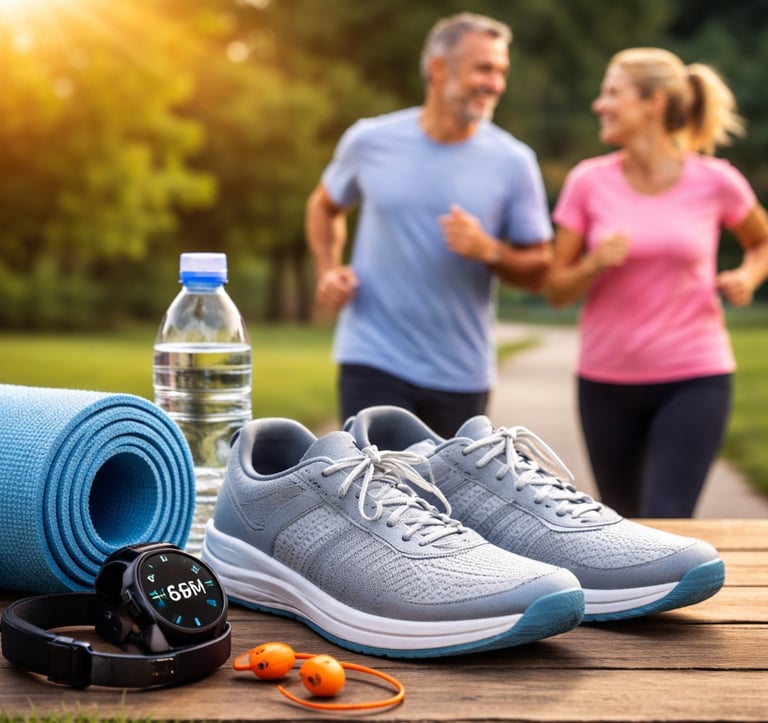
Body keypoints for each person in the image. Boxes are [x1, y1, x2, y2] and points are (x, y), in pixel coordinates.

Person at [544, 47, 768, 518]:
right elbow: (556, 289)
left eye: (612, 93)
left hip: (694, 375)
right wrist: (593, 264)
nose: (599, 105)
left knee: (668, 516)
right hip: (605, 380)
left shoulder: (716, 180)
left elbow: (762, 241)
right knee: (624, 525)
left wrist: (748, 276)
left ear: (654, 103)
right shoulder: (588, 182)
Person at [305, 12, 552, 437]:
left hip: (460, 373)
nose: (495, 84)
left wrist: (489, 250)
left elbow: (539, 269)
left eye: (501, 72)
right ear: (438, 68)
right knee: (375, 479)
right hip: (373, 357)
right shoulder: (370, 141)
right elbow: (324, 205)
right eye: (484, 69)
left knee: (448, 484)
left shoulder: (514, 162)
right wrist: (328, 269)